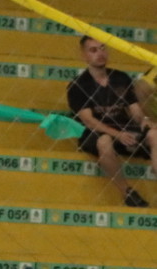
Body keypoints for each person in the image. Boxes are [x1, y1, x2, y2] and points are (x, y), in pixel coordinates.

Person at [67, 36, 157, 207]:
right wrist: (118, 134)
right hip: (96, 132)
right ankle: (127, 192)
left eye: (102, 48)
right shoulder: (78, 85)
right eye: (93, 50)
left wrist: (145, 121)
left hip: (124, 127)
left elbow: (135, 110)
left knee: (154, 133)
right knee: (104, 141)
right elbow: (89, 121)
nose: (100, 54)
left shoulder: (121, 78)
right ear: (84, 55)